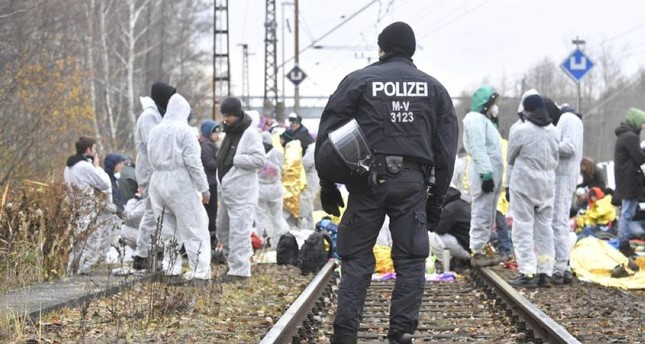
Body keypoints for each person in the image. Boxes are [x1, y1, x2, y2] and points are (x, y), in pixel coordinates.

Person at [315, 22, 458, 344]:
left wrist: (327, 184)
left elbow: (329, 135)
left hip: (365, 180)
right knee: (410, 261)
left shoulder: (358, 81)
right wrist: (435, 200)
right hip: (411, 183)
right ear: (412, 50)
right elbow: (445, 150)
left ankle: (345, 336)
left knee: (356, 259)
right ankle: (401, 334)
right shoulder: (433, 89)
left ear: (381, 48)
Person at [147, 93, 212, 281]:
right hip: (179, 181)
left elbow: (149, 155)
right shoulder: (185, 131)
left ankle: (171, 267)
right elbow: (193, 162)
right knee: (194, 226)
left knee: (167, 229)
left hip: (158, 181)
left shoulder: (155, 131)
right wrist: (203, 188)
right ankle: (200, 270)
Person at [506, 95, 560, 288]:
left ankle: (528, 271)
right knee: (545, 229)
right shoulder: (554, 131)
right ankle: (546, 272)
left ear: (528, 111)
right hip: (547, 185)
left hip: (524, 184)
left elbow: (510, 157)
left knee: (523, 227)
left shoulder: (522, 130)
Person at [216, 97, 266, 282]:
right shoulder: (230, 132)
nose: (225, 119)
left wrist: (237, 160)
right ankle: (232, 265)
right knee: (223, 231)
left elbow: (259, 159)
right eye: (224, 115)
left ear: (237, 115)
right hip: (229, 193)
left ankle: (239, 272)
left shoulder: (250, 133)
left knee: (239, 232)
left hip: (242, 193)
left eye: (228, 115)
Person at [132, 81, 176, 271]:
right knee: (151, 213)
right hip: (151, 172)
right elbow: (154, 143)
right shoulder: (149, 116)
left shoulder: (158, 115)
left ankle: (150, 252)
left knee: (157, 213)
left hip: (157, 171)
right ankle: (141, 255)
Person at [462, 85, 504, 267]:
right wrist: (485, 173)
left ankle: (483, 245)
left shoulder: (484, 121)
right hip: (483, 172)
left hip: (491, 172)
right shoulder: (474, 119)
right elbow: (478, 148)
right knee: (481, 211)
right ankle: (477, 249)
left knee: (488, 213)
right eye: (493, 103)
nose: (495, 106)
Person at [544, 98, 583, 285]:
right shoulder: (567, 119)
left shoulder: (569, 119)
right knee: (557, 221)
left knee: (559, 221)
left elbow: (569, 147)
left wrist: (547, 143)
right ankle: (563, 265)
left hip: (564, 177)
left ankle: (559, 266)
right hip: (561, 176)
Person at [64, 136, 114, 274]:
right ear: (88, 149)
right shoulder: (85, 166)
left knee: (77, 243)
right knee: (91, 241)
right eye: (94, 149)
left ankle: (71, 271)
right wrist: (96, 167)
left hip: (75, 208)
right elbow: (103, 184)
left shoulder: (68, 167)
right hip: (88, 208)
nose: (95, 151)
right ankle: (83, 271)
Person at [613, 107, 645, 257]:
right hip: (629, 180)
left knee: (627, 212)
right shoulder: (630, 137)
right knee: (627, 213)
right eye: (643, 123)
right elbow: (639, 158)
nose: (643, 127)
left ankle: (623, 242)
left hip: (625, 179)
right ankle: (623, 244)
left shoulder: (625, 136)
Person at [256, 131, 289, 247]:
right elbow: (282, 168)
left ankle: (263, 241)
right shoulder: (278, 153)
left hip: (260, 188)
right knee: (277, 216)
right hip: (275, 188)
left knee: (260, 217)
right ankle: (279, 242)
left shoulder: (258, 154)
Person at [427, 186, 471, 269]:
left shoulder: (450, 208)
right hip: (469, 246)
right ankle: (455, 261)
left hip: (465, 249)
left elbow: (439, 230)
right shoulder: (461, 204)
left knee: (430, 235)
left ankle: (446, 263)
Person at [199, 119, 220, 247]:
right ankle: (211, 237)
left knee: (211, 211)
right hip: (209, 182)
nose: (217, 135)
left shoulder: (210, 145)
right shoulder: (206, 146)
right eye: (215, 132)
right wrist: (222, 163)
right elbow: (210, 163)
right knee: (210, 211)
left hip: (211, 181)